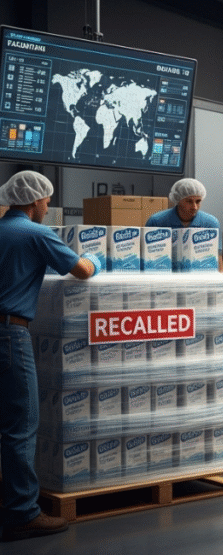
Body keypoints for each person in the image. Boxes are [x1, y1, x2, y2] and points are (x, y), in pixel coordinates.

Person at [0, 171, 101, 542]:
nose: (47, 206)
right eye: (46, 200)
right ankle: (22, 513)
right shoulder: (35, 233)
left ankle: (9, 499)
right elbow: (81, 270)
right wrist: (96, 258)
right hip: (10, 333)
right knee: (20, 425)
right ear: (34, 200)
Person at [145, 178, 223, 271]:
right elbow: (147, 259)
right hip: (165, 277)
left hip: (200, 279)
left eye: (198, 201)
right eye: (189, 201)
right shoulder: (158, 221)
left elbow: (217, 258)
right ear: (178, 199)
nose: (194, 207)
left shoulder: (210, 223)